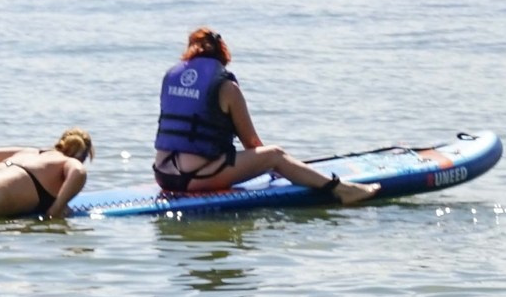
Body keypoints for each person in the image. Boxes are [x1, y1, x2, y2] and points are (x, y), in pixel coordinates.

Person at [152, 28, 379, 205]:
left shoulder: (170, 77)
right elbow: (252, 143)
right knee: (275, 155)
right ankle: (342, 190)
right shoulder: (226, 86)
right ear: (223, 55)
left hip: (163, 174)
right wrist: (275, 167)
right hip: (195, 178)